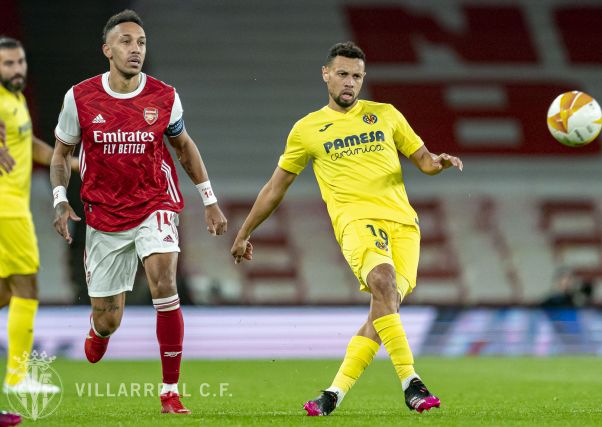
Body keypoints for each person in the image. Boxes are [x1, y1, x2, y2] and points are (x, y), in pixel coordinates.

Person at [231, 41, 463, 416]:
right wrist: (244, 232)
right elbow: (276, 186)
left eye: (356, 76)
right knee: (383, 282)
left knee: (382, 311)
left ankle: (332, 395)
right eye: (342, 74)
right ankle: (411, 382)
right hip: (357, 222)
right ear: (326, 74)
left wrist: (439, 161)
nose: (349, 82)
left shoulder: (385, 115)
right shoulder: (307, 129)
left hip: (405, 225)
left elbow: (423, 160)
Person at [50, 10, 227, 414]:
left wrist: (209, 200)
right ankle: (99, 330)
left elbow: (184, 147)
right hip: (104, 215)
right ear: (107, 49)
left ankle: (169, 391)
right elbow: (61, 154)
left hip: (154, 203)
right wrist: (61, 198)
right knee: (109, 318)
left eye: (142, 43)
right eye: (127, 42)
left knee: (164, 281)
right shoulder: (80, 97)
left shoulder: (164, 96)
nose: (136, 49)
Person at [0, 36, 79, 394]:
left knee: (5, 292)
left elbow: (27, 144)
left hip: (13, 207)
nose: (17, 70)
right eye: (8, 64)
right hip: (6, 210)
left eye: (20, 63)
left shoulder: (16, 100)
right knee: (26, 287)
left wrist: (67, 161)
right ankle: (17, 378)